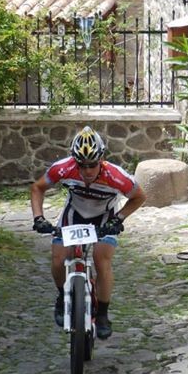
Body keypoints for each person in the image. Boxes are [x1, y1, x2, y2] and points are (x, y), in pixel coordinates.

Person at [30, 126, 147, 339]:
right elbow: (37, 188)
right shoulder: (63, 168)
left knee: (101, 260)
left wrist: (119, 219)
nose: (87, 171)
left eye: (92, 165)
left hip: (105, 218)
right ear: (74, 161)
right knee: (58, 259)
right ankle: (62, 296)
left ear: (101, 159)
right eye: (81, 165)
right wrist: (39, 217)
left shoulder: (116, 176)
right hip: (74, 215)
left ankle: (102, 314)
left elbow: (139, 196)